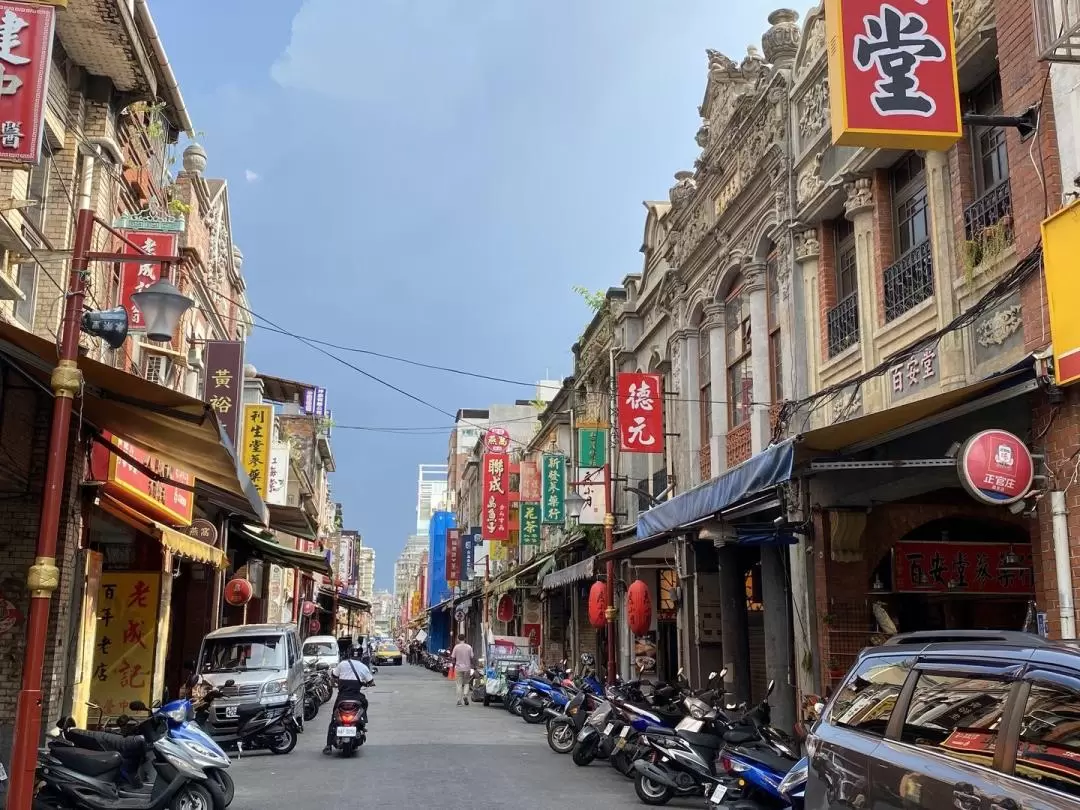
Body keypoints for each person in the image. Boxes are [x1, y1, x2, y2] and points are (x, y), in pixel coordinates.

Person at [324, 646, 374, 754]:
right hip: (356, 697)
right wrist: (368, 683)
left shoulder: (342, 664)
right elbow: (370, 681)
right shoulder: (363, 667)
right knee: (365, 703)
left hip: (342, 697)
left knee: (334, 718)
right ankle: (361, 722)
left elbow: (334, 675)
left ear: (349, 655)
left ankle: (328, 746)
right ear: (360, 656)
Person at [449, 634, 474, 706]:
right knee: (466, 683)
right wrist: (472, 665)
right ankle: (465, 695)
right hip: (467, 668)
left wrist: (453, 665)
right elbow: (472, 657)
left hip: (458, 668)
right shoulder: (469, 647)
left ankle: (459, 701)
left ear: (458, 639)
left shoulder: (456, 647)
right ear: (465, 639)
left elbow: (453, 658)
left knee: (459, 684)